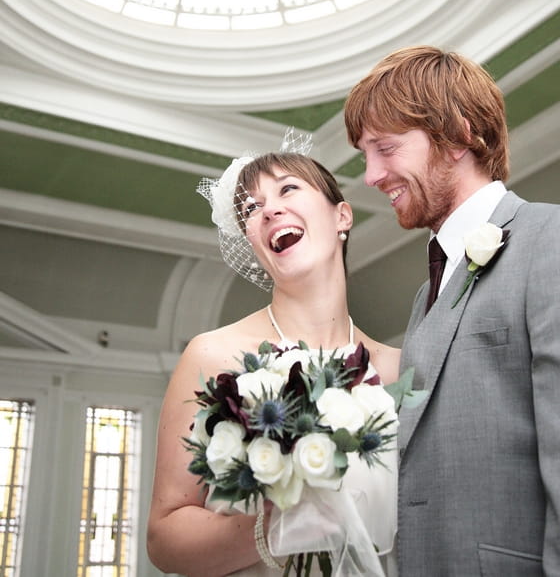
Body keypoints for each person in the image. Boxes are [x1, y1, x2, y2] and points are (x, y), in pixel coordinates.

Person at [344, 45, 560, 577]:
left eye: (385, 148)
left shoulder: (556, 236)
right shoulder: (425, 294)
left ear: (460, 134)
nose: (370, 175)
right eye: (364, 155)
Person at [147, 134, 401, 577]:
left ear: (342, 215)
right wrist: (277, 529)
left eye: (288, 189)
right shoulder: (212, 354)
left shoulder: (399, 368)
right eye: (250, 208)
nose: (268, 210)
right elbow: (164, 539)